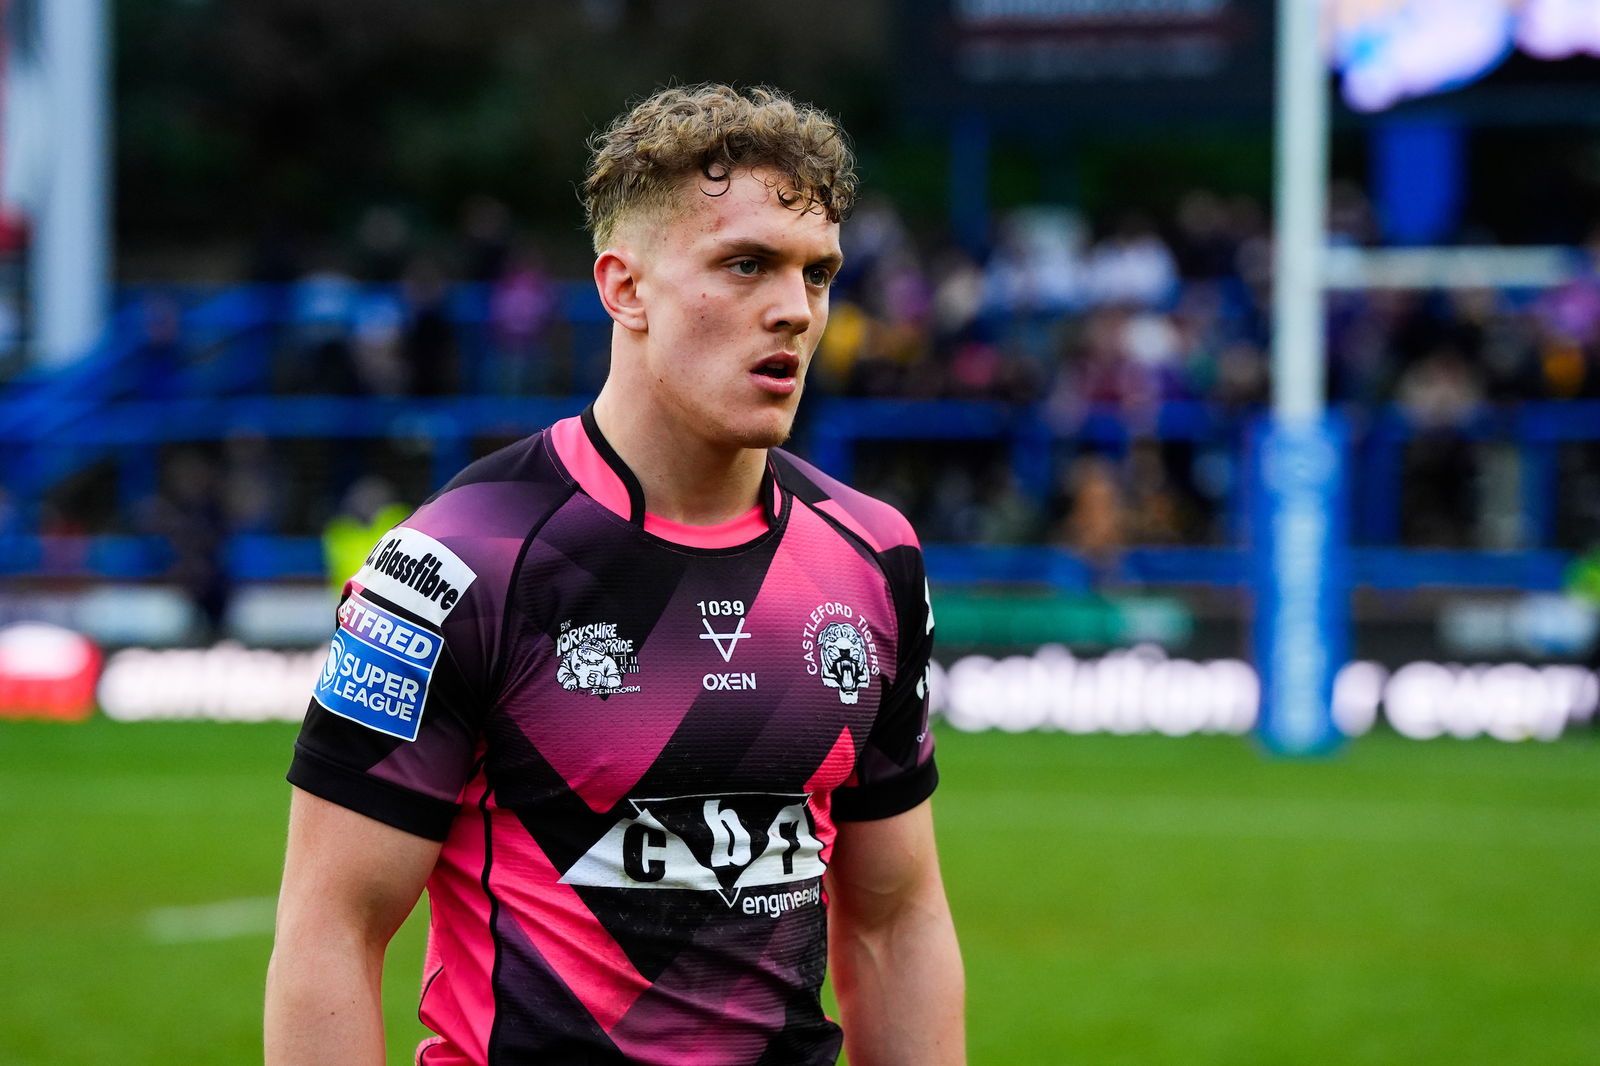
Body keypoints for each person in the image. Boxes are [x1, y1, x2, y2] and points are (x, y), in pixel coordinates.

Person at [265, 83, 965, 1066]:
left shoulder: (872, 555)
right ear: (623, 287)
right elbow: (331, 930)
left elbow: (897, 921)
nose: (794, 311)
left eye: (817, 274)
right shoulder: (460, 560)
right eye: (746, 264)